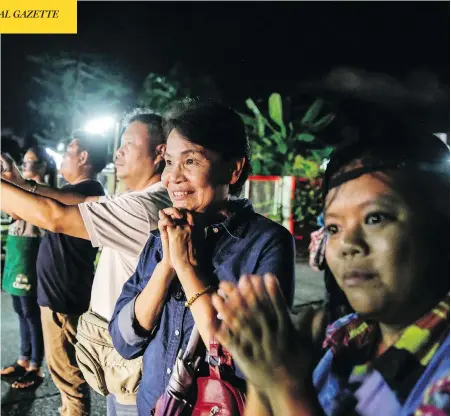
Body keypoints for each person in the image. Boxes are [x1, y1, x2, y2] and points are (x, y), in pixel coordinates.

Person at [211, 123, 450, 416]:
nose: (348, 244)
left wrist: (286, 385)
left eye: (375, 218)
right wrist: (264, 374)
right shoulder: (343, 336)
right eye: (334, 227)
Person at [109, 101, 296, 415]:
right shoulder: (163, 236)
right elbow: (125, 341)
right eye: (169, 162)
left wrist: (186, 266)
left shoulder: (266, 243)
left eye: (191, 160)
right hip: (154, 407)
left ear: (234, 169)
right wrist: (167, 263)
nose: (173, 177)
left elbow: (246, 361)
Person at [1, 109, 172, 415]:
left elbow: (54, 216)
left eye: (129, 144)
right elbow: (71, 202)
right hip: (122, 352)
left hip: (131, 359)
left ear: (160, 153)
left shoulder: (144, 207)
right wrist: (21, 183)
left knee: (84, 390)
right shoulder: (140, 200)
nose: (118, 152)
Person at [1, 131, 107, 416]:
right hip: (58, 296)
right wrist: (17, 185)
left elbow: (55, 203)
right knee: (64, 377)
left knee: (69, 377)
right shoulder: (74, 191)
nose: (63, 157)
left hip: (63, 300)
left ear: (83, 157)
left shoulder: (87, 190)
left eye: (69, 151)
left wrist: (18, 185)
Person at [1, 146, 57, 389]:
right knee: (19, 308)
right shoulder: (21, 186)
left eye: (32, 162)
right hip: (16, 249)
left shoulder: (42, 191)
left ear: (43, 167)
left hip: (32, 249)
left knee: (30, 312)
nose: (26, 166)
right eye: (24, 162)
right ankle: (24, 359)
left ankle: (36, 365)